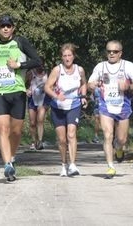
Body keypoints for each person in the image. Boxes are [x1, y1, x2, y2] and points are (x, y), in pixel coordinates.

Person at [0, 14, 40, 181]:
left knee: (16, 131)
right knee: (2, 128)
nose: (5, 28)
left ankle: (11, 157)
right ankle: (7, 164)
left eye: (8, 26)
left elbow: (37, 61)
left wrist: (19, 65)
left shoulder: (20, 42)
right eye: (2, 26)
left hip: (18, 92)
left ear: (13, 28)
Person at [87, 40, 133, 178]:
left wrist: (128, 87)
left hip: (123, 104)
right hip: (105, 104)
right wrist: (92, 85)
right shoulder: (100, 67)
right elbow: (90, 83)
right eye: (109, 51)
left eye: (115, 52)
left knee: (122, 139)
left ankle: (119, 149)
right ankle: (110, 167)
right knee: (107, 135)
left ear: (120, 53)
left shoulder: (128, 66)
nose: (111, 54)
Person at [44, 43, 88, 177]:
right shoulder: (57, 70)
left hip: (74, 105)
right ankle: (64, 165)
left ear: (74, 56)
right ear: (61, 58)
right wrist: (56, 96)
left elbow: (83, 83)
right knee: (62, 139)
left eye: (69, 55)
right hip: (58, 107)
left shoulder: (79, 70)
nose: (67, 58)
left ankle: (73, 165)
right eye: (65, 56)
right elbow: (47, 87)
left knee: (71, 134)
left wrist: (83, 96)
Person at [25, 57, 51, 151]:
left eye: (41, 64)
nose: (40, 66)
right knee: (32, 122)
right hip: (32, 99)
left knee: (40, 120)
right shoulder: (30, 73)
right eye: (38, 64)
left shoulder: (48, 73)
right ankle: (33, 142)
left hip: (43, 99)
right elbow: (24, 85)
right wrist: (26, 90)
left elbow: (52, 85)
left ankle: (40, 141)